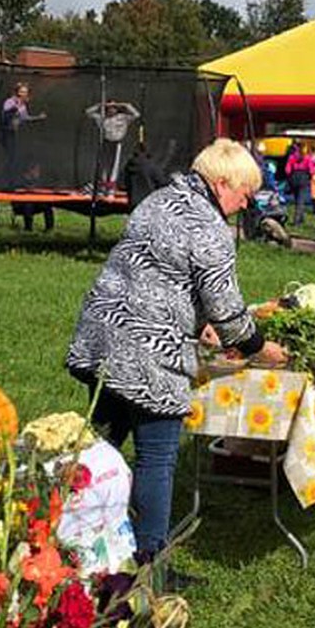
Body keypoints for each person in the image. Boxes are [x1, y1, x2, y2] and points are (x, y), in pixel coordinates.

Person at [66, 140, 289, 585]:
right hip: (148, 351)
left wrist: (197, 320)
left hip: (104, 332)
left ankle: (72, 544)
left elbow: (162, 272)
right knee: (157, 457)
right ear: (222, 181)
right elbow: (230, 314)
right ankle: (153, 567)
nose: (246, 201)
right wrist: (262, 350)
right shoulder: (209, 227)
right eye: (245, 191)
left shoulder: (159, 200)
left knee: (100, 448)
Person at [1, 83, 52, 231]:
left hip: (17, 134)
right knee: (10, 160)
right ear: (17, 92)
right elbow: (5, 114)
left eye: (26, 92)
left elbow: (25, 119)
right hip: (6, 133)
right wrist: (17, 105)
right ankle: (9, 185)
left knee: (16, 159)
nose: (24, 94)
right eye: (22, 92)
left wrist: (38, 118)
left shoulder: (23, 106)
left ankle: (47, 227)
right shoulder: (10, 102)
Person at [284, 142, 314, 226]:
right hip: (303, 177)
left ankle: (301, 219)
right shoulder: (307, 158)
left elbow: (287, 170)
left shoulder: (292, 157)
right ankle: (296, 220)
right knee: (301, 200)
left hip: (294, 178)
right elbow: (311, 170)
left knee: (297, 198)